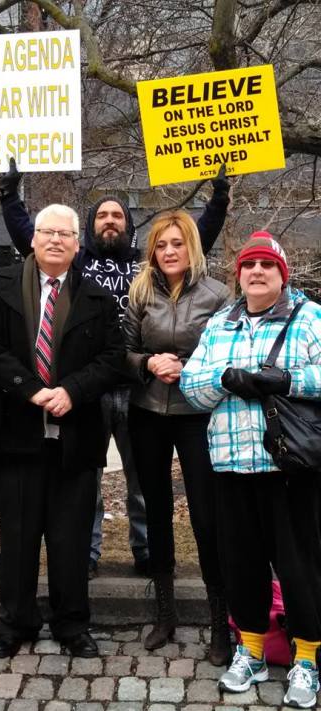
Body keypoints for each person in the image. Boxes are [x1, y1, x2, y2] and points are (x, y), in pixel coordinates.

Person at [0, 159, 231, 577]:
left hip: (140, 389)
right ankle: (86, 555)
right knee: (88, 476)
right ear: (90, 228)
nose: (110, 221)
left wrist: (219, 197)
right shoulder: (79, 261)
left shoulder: (147, 265)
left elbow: (199, 238)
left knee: (141, 479)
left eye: (118, 215)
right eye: (102, 215)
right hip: (91, 386)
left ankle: (146, 552)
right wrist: (9, 195)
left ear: (129, 226)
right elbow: (26, 237)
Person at [0, 203, 124, 659]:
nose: (56, 240)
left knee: (70, 538)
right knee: (16, 536)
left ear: (78, 243)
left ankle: (72, 623)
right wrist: (30, 390)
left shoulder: (97, 296)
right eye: (47, 232)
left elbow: (113, 358)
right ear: (32, 239)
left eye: (65, 233)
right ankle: (15, 622)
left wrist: (72, 391)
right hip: (14, 432)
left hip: (75, 436)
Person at [180, 232, 321, 708]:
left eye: (267, 265)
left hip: (290, 468)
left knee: (300, 568)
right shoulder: (221, 323)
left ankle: (307, 659)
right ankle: (253, 652)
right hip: (232, 466)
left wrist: (284, 379)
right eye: (249, 265)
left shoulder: (309, 318)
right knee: (241, 567)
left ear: (283, 274)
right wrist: (225, 379)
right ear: (238, 275)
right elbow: (190, 386)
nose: (257, 272)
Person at [122, 209, 231, 663]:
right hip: (148, 410)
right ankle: (165, 615)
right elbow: (123, 349)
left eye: (177, 243)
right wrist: (148, 363)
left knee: (206, 516)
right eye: (161, 245)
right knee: (156, 510)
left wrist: (188, 369)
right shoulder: (141, 289)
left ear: (192, 246)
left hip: (197, 413)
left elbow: (226, 350)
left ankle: (219, 621)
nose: (169, 251)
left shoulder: (219, 294)